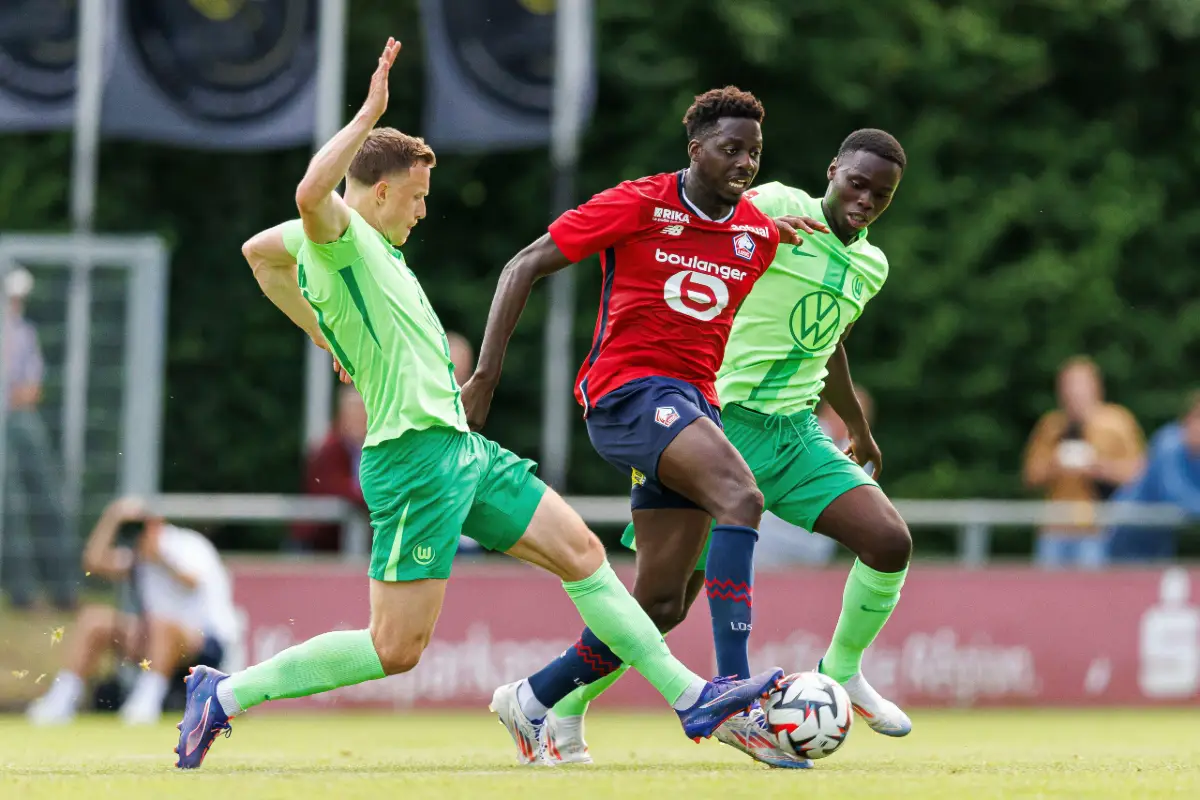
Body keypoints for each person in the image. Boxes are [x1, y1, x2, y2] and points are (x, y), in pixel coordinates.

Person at [176, 39, 783, 770]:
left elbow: (257, 252)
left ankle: (691, 698)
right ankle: (225, 692)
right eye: (416, 196)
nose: (424, 209)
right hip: (412, 458)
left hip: (460, 448)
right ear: (376, 192)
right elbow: (309, 198)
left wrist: (319, 330)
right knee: (394, 648)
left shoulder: (357, 251)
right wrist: (367, 115)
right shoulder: (339, 236)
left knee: (584, 556)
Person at [463, 86, 823, 768]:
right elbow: (523, 264)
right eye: (731, 149)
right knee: (742, 497)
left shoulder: (757, 233)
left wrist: (783, 232)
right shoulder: (639, 202)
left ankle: (534, 698)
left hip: (693, 406)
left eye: (754, 153)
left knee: (661, 603)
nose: (745, 163)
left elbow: (792, 290)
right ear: (695, 150)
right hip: (627, 395)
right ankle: (734, 692)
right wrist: (484, 378)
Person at [534, 131, 916, 766]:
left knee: (889, 541)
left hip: (795, 434)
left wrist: (857, 426)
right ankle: (563, 703)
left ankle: (842, 670)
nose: (866, 200)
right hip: (719, 426)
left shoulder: (871, 266)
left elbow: (830, 339)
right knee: (663, 603)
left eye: (882, 194)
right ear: (832, 171)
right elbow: (703, 219)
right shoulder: (775, 205)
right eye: (857, 184)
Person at [26, 496, 235, 726]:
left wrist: (160, 558)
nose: (136, 537)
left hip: (204, 643)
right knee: (94, 620)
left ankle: (145, 704)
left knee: (161, 625)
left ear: (156, 524)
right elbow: (93, 562)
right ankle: (60, 701)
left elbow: (192, 581)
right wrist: (112, 517)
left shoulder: (187, 544)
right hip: (153, 638)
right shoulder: (138, 555)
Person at [1022, 356, 1145, 568]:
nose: (1073, 392)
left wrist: (1099, 468)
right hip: (1055, 529)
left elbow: (1140, 473)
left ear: (1096, 387)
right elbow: (1030, 476)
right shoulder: (1051, 425)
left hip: (1098, 528)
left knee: (1092, 587)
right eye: (1067, 385)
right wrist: (1055, 465)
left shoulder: (1117, 422)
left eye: (1079, 385)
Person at [1, 267, 75, 611]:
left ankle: (63, 590)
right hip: (11, 418)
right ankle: (23, 594)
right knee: (10, 509)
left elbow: (31, 390)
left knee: (47, 501)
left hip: (19, 419)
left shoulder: (25, 333)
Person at [754, 386, 876, 568]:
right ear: (828, 410)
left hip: (814, 550)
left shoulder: (862, 458)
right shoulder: (799, 433)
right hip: (769, 541)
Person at [1107, 390, 1200, 561]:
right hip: (1127, 526)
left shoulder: (1196, 454)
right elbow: (1173, 493)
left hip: (1159, 532)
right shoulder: (1168, 443)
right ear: (1189, 419)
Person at [290, 385, 369, 552]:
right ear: (342, 414)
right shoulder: (330, 449)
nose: (360, 416)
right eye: (354, 410)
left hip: (346, 542)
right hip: (314, 544)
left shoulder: (369, 450)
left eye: (363, 410)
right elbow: (340, 488)